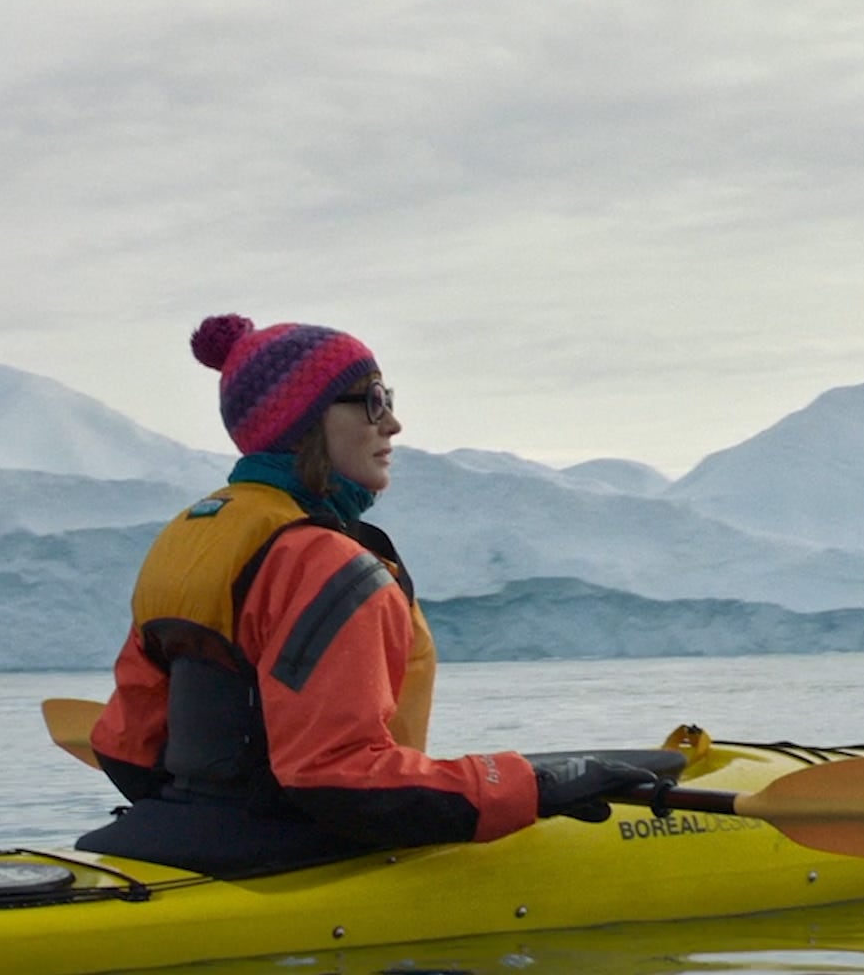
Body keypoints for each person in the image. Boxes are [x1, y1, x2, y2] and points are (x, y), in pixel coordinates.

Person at [77, 314, 654, 877]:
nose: (393, 424)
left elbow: (128, 748)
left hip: (173, 837)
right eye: (373, 400)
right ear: (303, 422)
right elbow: (335, 778)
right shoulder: (323, 562)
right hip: (296, 851)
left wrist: (200, 813)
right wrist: (529, 785)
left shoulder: (191, 534)